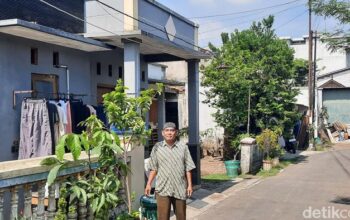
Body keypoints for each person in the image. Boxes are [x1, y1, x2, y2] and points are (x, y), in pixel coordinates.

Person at [145, 122, 196, 220]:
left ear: (176, 132)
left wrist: (189, 185)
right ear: (162, 133)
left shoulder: (183, 147)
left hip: (180, 188)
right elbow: (153, 168)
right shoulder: (157, 147)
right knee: (162, 218)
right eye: (167, 130)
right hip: (163, 189)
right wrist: (148, 184)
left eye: (172, 130)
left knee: (181, 217)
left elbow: (188, 168)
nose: (169, 133)